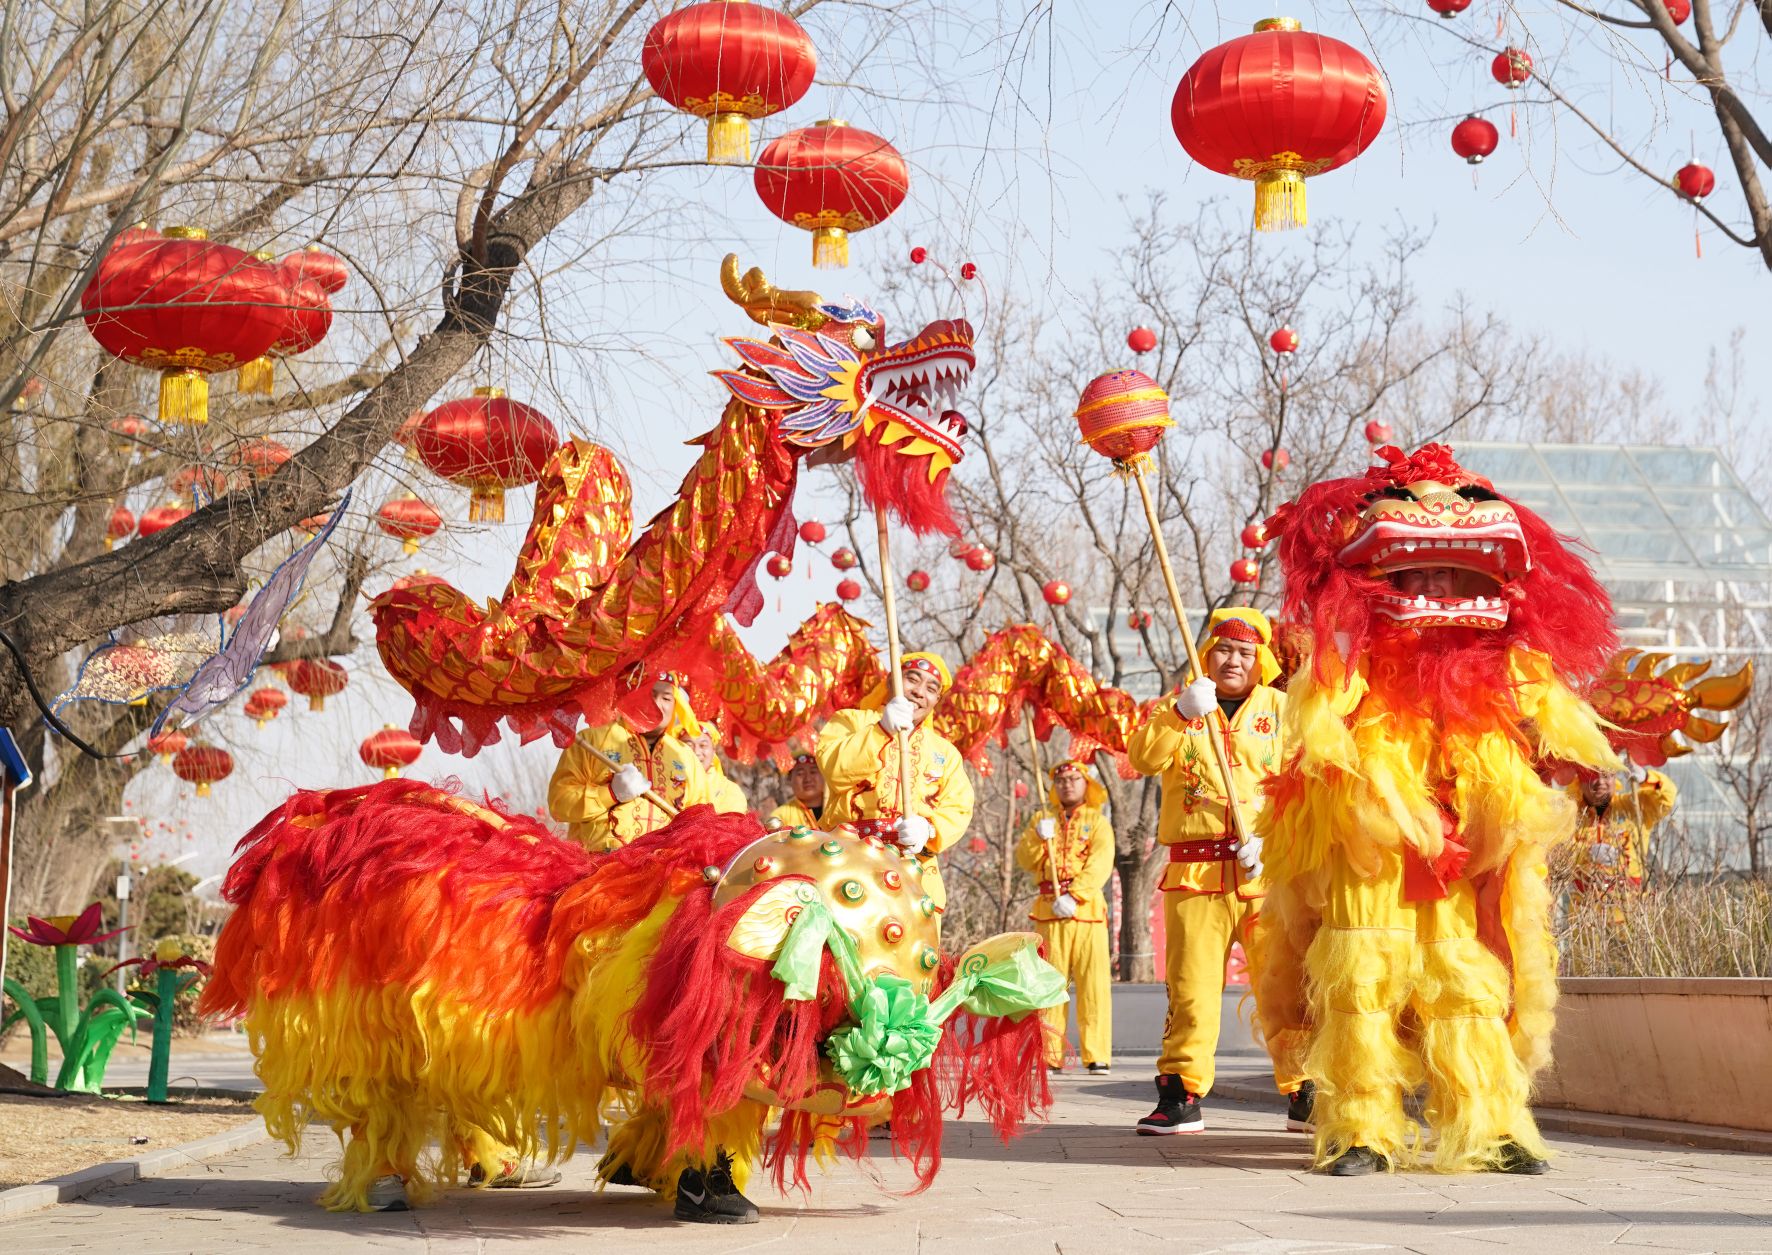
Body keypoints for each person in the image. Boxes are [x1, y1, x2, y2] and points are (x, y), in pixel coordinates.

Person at [1127, 607, 1303, 1135]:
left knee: (1284, 984)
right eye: (1224, 649)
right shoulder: (1181, 706)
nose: (1234, 660)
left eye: (1246, 653)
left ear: (1262, 661)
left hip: (1266, 872)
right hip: (1194, 873)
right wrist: (1180, 713)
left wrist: (1276, 838)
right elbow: (1142, 758)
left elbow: (1307, 782)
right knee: (1191, 987)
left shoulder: (1285, 709)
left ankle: (1305, 1089)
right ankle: (1180, 1094)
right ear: (1207, 654)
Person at [816, 652, 973, 917]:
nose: (919, 692)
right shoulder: (850, 722)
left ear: (936, 701)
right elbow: (834, 768)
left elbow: (959, 807)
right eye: (912, 680)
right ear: (891, 682)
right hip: (848, 863)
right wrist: (881, 731)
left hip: (915, 874)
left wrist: (929, 830)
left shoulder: (945, 753)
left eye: (931, 689)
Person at [1015, 758, 1115, 1075]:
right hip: (1049, 909)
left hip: (1085, 912)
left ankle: (1097, 1055)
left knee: (1094, 985)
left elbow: (1101, 862)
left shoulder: (1098, 822)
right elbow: (1026, 860)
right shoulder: (1042, 820)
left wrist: (1076, 895)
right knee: (1049, 984)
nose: (1067, 784)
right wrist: (1035, 838)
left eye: (1074, 779)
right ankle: (1048, 1052)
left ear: (1087, 784)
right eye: (1061, 780)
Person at [548, 673, 710, 853]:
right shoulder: (592, 740)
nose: (658, 704)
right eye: (650, 694)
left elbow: (704, 820)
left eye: (666, 698)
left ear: (675, 705)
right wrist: (611, 793)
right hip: (601, 867)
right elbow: (559, 803)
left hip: (664, 870)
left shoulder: (686, 756)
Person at [1570, 764, 1677, 901]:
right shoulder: (1570, 815)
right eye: (1591, 775)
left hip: (1630, 909)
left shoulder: (1634, 806)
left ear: (1614, 778)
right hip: (1585, 912)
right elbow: (1557, 853)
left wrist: (1647, 777)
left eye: (1606, 775)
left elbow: (1667, 799)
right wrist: (1587, 852)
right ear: (1580, 780)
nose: (1600, 782)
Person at [685, 712, 750, 815]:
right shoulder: (667, 782)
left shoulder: (729, 790)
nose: (696, 752)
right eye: (688, 745)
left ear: (713, 751)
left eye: (703, 745)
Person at [768, 751, 827, 830]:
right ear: (790, 779)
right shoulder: (779, 817)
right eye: (800, 773)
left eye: (813, 772)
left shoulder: (838, 808)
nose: (808, 779)